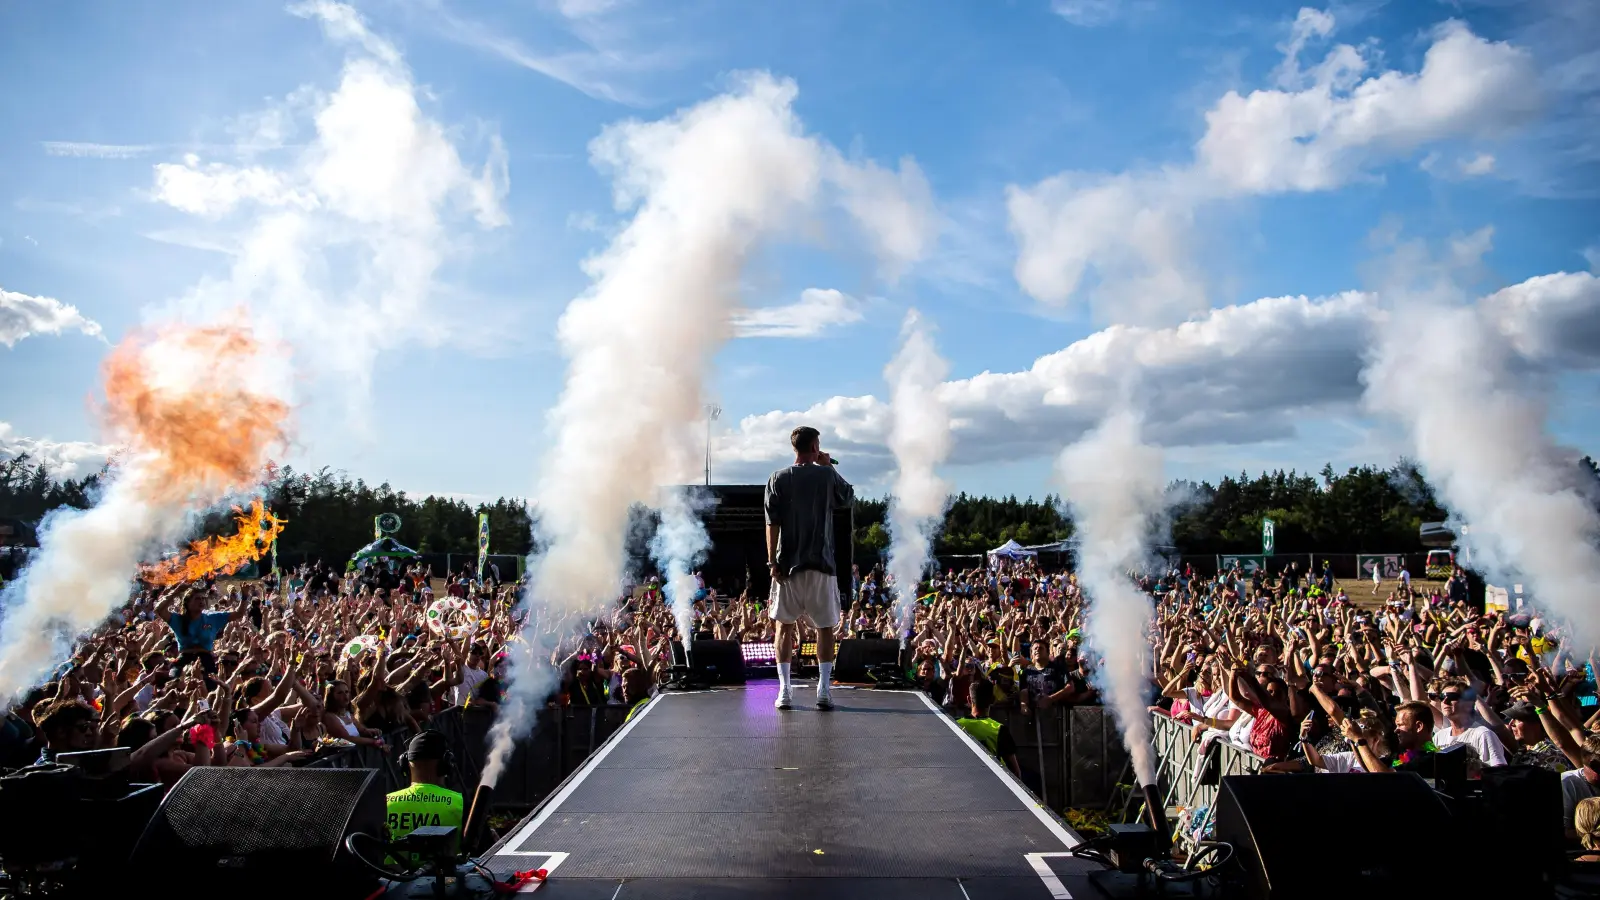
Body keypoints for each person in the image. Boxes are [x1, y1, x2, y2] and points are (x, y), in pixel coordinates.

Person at [764, 425, 853, 711]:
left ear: (794, 448)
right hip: (821, 565)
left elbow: (771, 524)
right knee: (825, 628)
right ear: (815, 447)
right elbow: (848, 497)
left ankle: (785, 691)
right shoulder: (826, 475)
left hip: (787, 567)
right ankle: (823, 690)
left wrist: (772, 561)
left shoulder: (776, 478)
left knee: (783, 627)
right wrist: (828, 466)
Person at [385, 731, 464, 865]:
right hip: (446, 882)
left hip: (392, 882)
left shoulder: (384, 803)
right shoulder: (460, 804)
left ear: (404, 764)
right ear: (447, 764)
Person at [955, 675, 1021, 778]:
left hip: (964, 780)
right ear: (993, 700)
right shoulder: (999, 729)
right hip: (994, 782)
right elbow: (1016, 772)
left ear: (968, 699)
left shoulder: (956, 726)